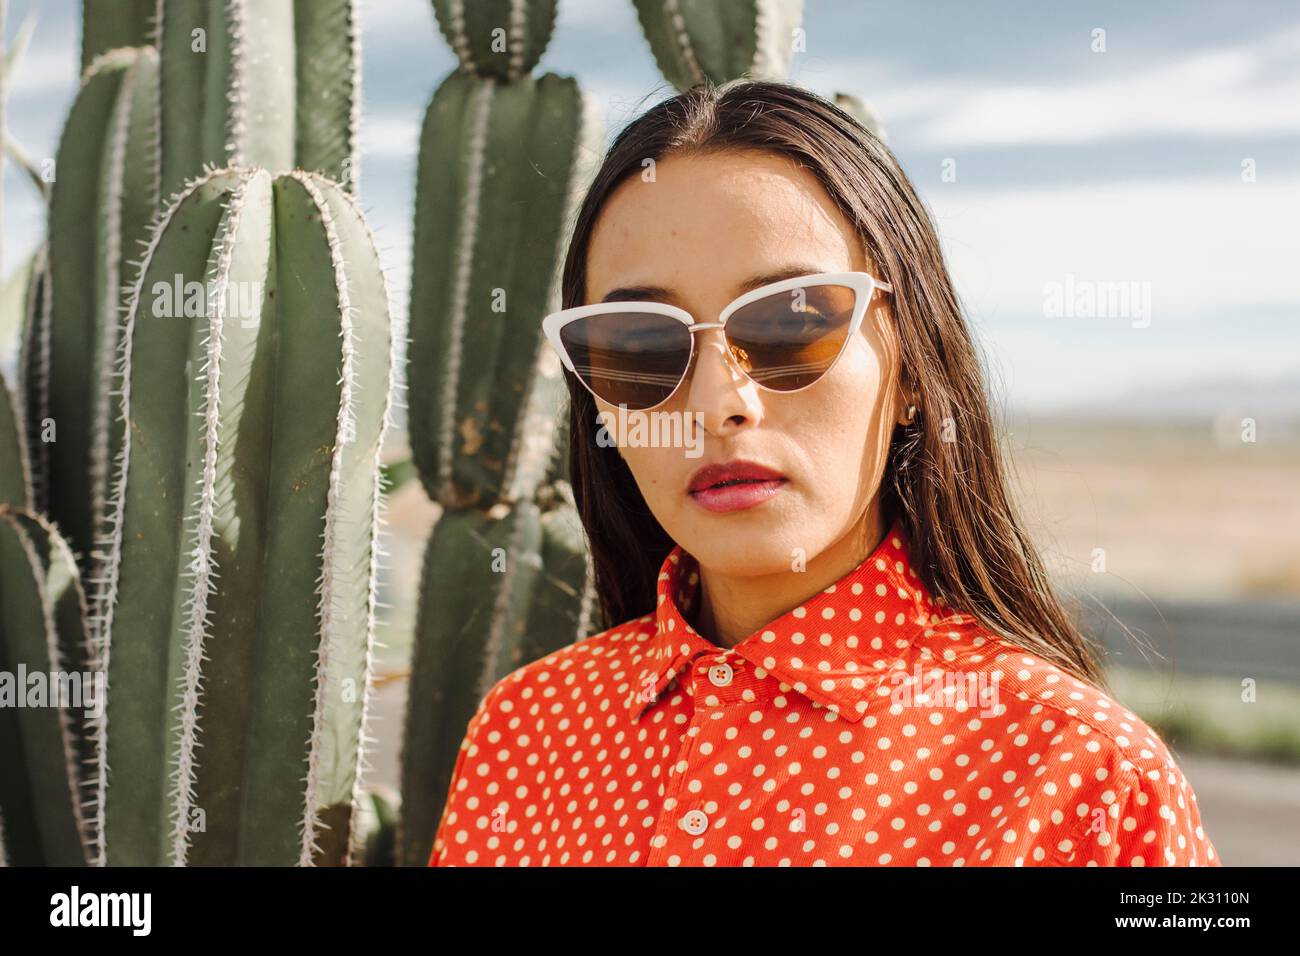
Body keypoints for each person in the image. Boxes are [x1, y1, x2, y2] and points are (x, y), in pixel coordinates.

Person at [429, 78, 1218, 867]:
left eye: (791, 322)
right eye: (640, 345)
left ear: (912, 368)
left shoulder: (1083, 779)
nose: (717, 404)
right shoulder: (527, 730)